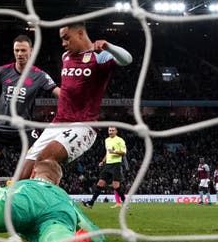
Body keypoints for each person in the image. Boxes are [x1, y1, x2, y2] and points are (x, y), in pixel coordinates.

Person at [19, 20, 133, 180]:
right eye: (61, 39)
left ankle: (48, 202)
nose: (63, 43)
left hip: (83, 124)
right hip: (58, 122)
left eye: (66, 38)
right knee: (24, 170)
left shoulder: (99, 56)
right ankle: (17, 202)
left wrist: (108, 46)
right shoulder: (66, 56)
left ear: (80, 34)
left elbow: (127, 59)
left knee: (45, 159)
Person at [0, 35, 60, 198]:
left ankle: (40, 201)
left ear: (31, 51)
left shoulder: (39, 75)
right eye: (17, 50)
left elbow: (59, 94)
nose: (19, 53)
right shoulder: (3, 71)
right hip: (1, 127)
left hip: (25, 129)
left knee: (42, 165)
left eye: (23, 50)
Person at [83, 126, 127, 209]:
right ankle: (91, 203)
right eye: (109, 130)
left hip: (116, 164)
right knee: (100, 183)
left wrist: (114, 151)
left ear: (116, 131)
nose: (111, 132)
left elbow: (124, 153)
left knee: (115, 186)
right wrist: (103, 161)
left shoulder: (120, 140)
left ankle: (125, 201)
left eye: (113, 130)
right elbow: (108, 153)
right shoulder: (107, 140)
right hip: (108, 165)